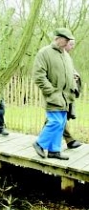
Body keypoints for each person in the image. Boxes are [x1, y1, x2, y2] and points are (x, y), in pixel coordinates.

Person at [32, 27, 78, 160]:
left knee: (61, 123)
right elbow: (38, 76)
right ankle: (39, 143)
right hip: (53, 96)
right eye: (66, 39)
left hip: (66, 97)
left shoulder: (66, 55)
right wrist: (51, 92)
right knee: (55, 122)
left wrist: (73, 87)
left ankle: (54, 151)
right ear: (57, 38)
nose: (68, 42)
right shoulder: (44, 53)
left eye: (69, 40)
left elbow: (70, 74)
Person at [63, 40, 82, 149]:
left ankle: (41, 140)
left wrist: (75, 76)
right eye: (71, 44)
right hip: (59, 92)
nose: (72, 47)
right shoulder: (56, 56)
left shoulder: (67, 57)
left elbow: (71, 71)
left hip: (67, 92)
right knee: (57, 117)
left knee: (58, 117)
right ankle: (69, 140)